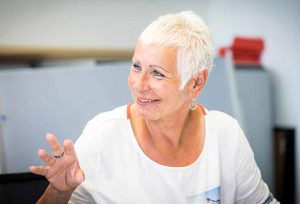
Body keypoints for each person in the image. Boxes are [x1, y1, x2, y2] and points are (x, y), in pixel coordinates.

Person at [30, 11, 278, 204]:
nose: (139, 85)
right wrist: (59, 192)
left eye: (157, 73)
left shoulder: (226, 134)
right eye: (136, 66)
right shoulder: (103, 135)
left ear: (196, 82)